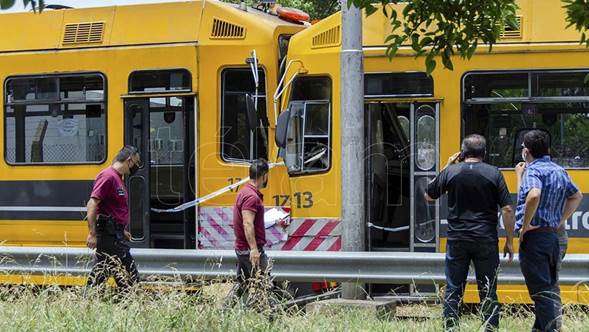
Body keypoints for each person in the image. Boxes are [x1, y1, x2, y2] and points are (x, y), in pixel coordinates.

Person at [425, 134, 515, 332]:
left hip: (457, 239)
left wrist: (447, 166)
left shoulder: (451, 172)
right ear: (484, 152)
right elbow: (507, 209)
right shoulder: (494, 173)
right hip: (486, 239)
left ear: (462, 153)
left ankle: (451, 328)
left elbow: (429, 195)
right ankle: (490, 328)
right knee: (488, 290)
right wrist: (509, 240)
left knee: (453, 290)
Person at [515, 130, 582, 332]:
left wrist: (525, 226)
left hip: (535, 239)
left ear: (526, 152)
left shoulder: (533, 171)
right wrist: (559, 220)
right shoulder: (559, 170)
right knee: (548, 287)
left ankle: (552, 329)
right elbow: (576, 195)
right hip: (552, 237)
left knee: (540, 292)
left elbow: (533, 194)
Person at [86, 145, 141, 290]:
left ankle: (86, 302)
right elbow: (92, 204)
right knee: (130, 275)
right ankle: (131, 303)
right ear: (129, 161)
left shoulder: (118, 178)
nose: (136, 167)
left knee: (103, 271)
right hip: (108, 235)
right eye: (136, 163)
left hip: (115, 233)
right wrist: (92, 234)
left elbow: (112, 209)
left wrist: (121, 229)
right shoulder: (108, 176)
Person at [225, 159, 272, 309]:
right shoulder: (251, 197)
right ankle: (270, 317)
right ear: (264, 176)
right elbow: (247, 223)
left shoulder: (244, 192)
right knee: (264, 284)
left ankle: (224, 312)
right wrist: (253, 249)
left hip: (243, 248)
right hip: (249, 249)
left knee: (243, 285)